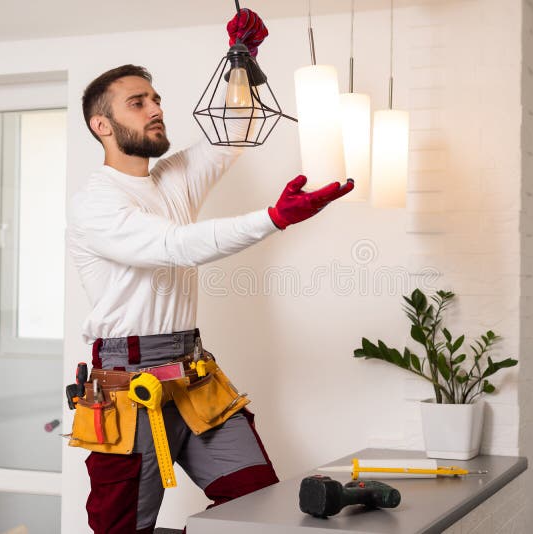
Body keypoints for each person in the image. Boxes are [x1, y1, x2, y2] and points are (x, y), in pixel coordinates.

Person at [66, 64, 353, 534]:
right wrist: (273, 218)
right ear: (102, 125)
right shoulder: (96, 202)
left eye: (155, 99)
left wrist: (242, 60)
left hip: (193, 375)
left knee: (259, 510)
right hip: (127, 386)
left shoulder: (172, 178)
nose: (155, 109)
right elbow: (174, 245)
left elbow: (235, 131)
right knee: (119, 529)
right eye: (138, 103)